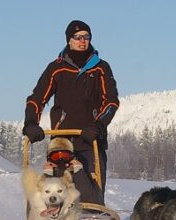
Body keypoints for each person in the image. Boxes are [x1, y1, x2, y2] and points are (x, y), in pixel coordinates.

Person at [23, 20, 119, 205]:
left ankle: (94, 218)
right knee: (58, 192)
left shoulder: (101, 68)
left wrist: (98, 125)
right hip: (62, 140)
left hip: (90, 139)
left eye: (86, 37)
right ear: (69, 40)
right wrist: (31, 123)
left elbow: (111, 102)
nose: (82, 41)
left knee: (93, 196)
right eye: (77, 37)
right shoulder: (57, 68)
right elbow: (37, 98)